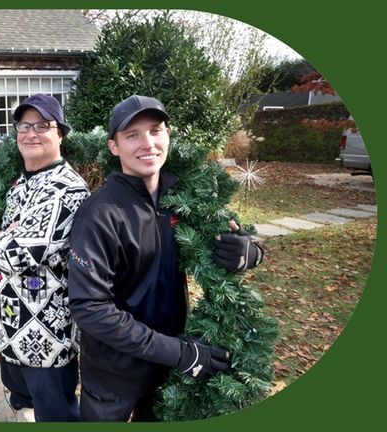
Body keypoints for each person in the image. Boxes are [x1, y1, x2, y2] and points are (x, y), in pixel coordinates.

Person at [67, 95, 264, 422]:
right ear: (114, 147)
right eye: (132, 135)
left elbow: (239, 237)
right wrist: (181, 353)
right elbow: (90, 308)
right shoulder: (98, 214)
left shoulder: (183, 200)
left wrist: (249, 252)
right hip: (113, 376)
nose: (148, 143)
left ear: (168, 135)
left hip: (168, 372)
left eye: (155, 131)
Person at [0, 94, 90, 422]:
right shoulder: (15, 180)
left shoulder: (65, 190)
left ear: (60, 134)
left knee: (56, 417)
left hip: (45, 342)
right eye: (24, 125)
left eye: (43, 125)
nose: (31, 133)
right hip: (8, 329)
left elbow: (10, 255)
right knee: (24, 407)